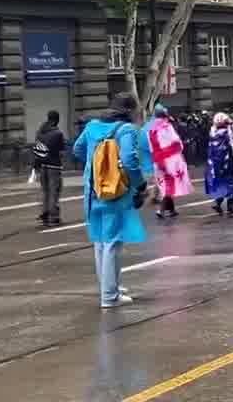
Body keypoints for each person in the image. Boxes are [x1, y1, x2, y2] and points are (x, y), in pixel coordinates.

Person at [75, 93, 147, 309]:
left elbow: (77, 149)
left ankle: (110, 285)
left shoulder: (92, 126)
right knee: (113, 242)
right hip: (115, 191)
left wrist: (94, 164)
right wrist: (140, 183)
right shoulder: (126, 130)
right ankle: (109, 296)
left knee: (99, 241)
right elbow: (129, 160)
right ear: (130, 110)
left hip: (92, 190)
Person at [146, 105, 191, 219]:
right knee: (169, 185)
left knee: (166, 184)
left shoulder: (150, 129)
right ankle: (161, 210)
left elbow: (151, 147)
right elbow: (176, 142)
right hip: (170, 160)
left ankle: (172, 209)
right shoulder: (167, 127)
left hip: (158, 160)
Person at [32, 110, 68, 227]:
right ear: (57, 120)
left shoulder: (41, 131)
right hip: (54, 166)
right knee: (54, 191)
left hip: (43, 165)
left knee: (46, 191)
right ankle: (54, 217)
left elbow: (37, 147)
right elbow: (62, 150)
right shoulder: (58, 134)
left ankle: (45, 213)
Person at [205, 113, 233, 217]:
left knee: (219, 184)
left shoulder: (212, 133)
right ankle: (230, 207)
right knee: (231, 183)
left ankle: (217, 203)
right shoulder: (228, 133)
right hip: (228, 163)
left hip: (215, 164)